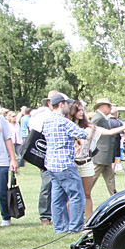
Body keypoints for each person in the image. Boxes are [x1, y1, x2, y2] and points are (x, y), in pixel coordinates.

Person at [42, 93, 89, 233]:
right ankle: (76, 227)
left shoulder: (47, 120)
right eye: (67, 104)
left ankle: (60, 228)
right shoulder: (64, 121)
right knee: (77, 195)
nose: (69, 106)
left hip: (51, 164)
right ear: (61, 104)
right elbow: (82, 134)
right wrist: (90, 129)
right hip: (65, 163)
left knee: (57, 198)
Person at [29, 91, 61, 224]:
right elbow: (35, 139)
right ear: (49, 103)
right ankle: (45, 215)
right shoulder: (42, 116)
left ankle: (56, 214)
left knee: (58, 186)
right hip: (46, 154)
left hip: (57, 155)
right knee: (47, 185)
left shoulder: (58, 116)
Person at [91, 98, 120, 198]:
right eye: (109, 106)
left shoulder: (102, 118)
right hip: (100, 155)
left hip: (105, 155)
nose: (110, 108)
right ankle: (82, 199)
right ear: (102, 107)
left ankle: (115, 198)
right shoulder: (97, 118)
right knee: (91, 180)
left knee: (110, 178)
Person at [0, 111, 19, 226]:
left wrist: (13, 159)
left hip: (1, 161)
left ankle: (6, 217)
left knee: (2, 191)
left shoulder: (1, 119)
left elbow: (8, 139)